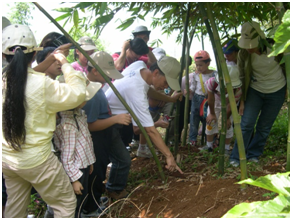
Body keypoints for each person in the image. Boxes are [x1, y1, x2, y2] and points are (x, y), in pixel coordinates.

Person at [2, 24, 87, 218]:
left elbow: (24, 77)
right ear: (33, 55)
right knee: (65, 203)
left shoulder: (4, 79)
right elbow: (78, 93)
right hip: (37, 160)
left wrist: (50, 58)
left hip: (8, 159)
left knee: (14, 208)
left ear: (3, 55)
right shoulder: (42, 85)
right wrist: (64, 62)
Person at [106, 56, 184, 174]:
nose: (166, 87)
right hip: (107, 120)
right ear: (156, 72)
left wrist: (170, 99)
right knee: (121, 160)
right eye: (166, 82)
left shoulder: (139, 66)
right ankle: (112, 190)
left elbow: (148, 90)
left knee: (116, 158)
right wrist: (169, 156)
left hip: (113, 116)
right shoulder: (136, 91)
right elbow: (150, 130)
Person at [229, 21, 286, 167]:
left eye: (251, 44)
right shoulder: (244, 53)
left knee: (264, 127)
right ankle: (237, 156)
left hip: (277, 90)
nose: (248, 48)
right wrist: (242, 100)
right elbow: (242, 76)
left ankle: (254, 154)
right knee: (246, 124)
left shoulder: (277, 47)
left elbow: (287, 67)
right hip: (255, 90)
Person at [81, 51, 132, 217]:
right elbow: (90, 125)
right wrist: (115, 119)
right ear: (95, 71)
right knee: (95, 173)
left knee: (100, 170)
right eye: (106, 74)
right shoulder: (91, 93)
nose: (109, 78)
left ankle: (94, 201)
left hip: (102, 136)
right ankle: (90, 210)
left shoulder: (97, 87)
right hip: (95, 138)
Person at [51, 74, 102, 218]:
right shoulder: (68, 125)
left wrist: (89, 161)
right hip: (75, 169)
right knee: (75, 201)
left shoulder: (78, 114)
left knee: (83, 196)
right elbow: (66, 157)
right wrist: (74, 179)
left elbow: (85, 140)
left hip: (82, 165)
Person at [199, 65, 242, 154]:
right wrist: (212, 114)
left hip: (229, 106)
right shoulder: (212, 82)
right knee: (210, 123)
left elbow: (231, 105)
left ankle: (226, 148)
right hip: (214, 104)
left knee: (228, 126)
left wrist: (226, 118)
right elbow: (211, 99)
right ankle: (209, 145)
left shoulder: (238, 90)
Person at [188, 50, 216, 147]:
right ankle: (193, 139)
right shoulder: (196, 74)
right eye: (197, 65)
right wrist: (189, 91)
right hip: (197, 98)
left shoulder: (214, 74)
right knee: (194, 119)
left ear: (208, 63)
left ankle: (209, 140)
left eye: (200, 65)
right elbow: (193, 86)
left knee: (207, 120)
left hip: (209, 99)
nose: (198, 67)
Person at [179, 55, 194, 143]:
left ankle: (192, 138)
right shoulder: (181, 75)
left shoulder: (193, 75)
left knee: (192, 118)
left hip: (194, 98)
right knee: (181, 118)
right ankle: (177, 138)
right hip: (183, 98)